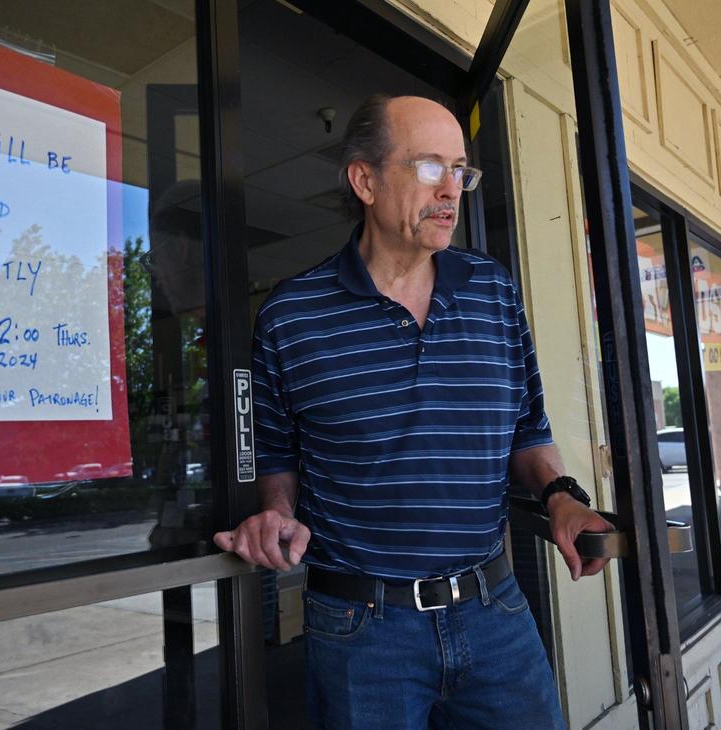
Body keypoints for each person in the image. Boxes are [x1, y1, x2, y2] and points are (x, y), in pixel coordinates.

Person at [213, 94, 612, 729]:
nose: (452, 189)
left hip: (495, 610)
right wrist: (276, 515)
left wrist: (561, 495)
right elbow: (277, 455)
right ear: (364, 180)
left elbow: (528, 426)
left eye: (461, 170)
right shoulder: (292, 314)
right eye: (430, 166)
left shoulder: (493, 291)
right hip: (362, 632)